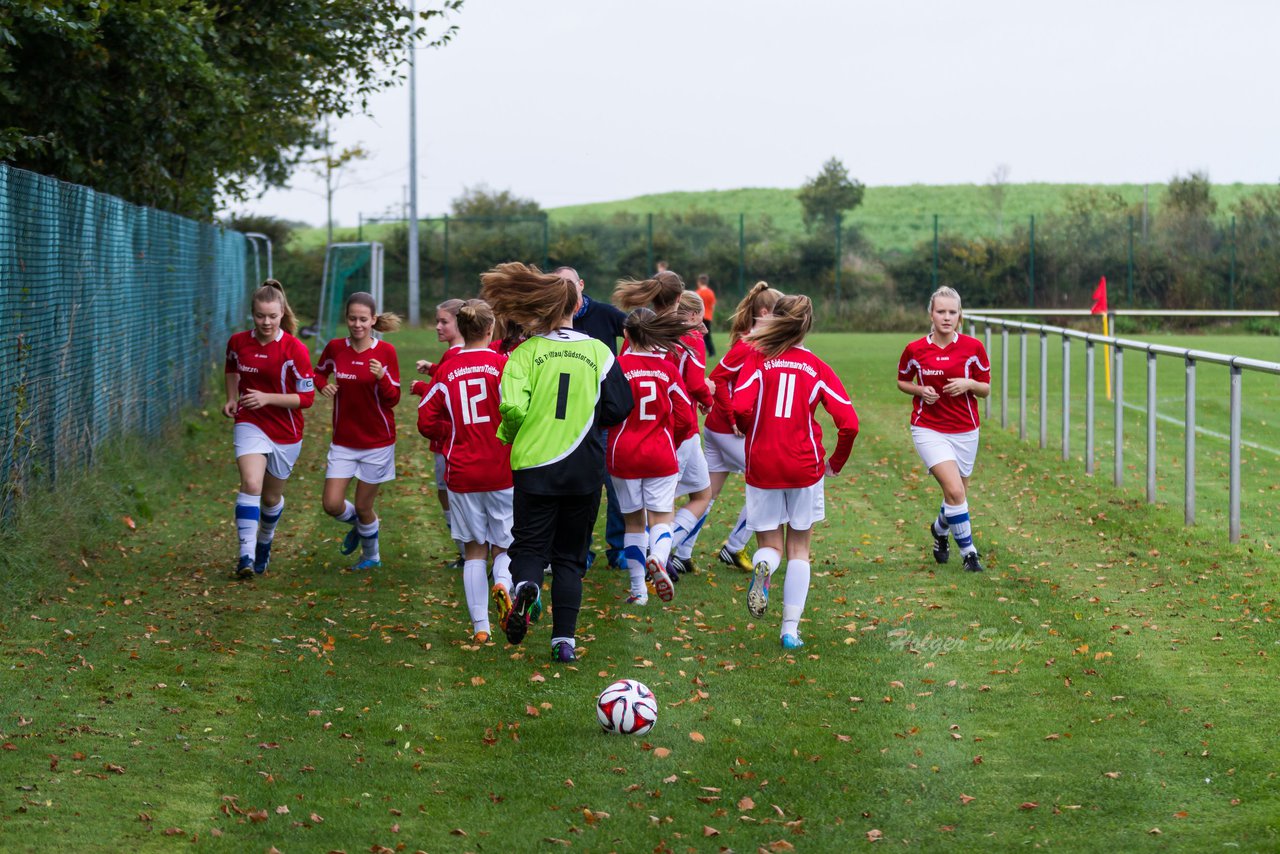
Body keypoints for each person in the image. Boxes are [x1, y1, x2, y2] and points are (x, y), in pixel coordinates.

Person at [481, 262, 633, 663]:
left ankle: (527, 585)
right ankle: (564, 641)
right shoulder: (599, 352)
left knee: (529, 546)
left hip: (535, 466)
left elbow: (511, 407)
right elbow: (620, 406)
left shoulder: (525, 353)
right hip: (584, 468)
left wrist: (515, 433)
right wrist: (586, 419)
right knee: (571, 557)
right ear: (577, 304)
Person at [733, 294, 859, 649]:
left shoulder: (757, 359)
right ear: (808, 325)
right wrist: (835, 462)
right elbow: (849, 424)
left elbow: (740, 406)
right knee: (800, 549)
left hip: (763, 464)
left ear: (774, 319)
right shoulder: (817, 366)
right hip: (805, 466)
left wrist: (749, 427)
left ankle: (764, 568)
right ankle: (790, 630)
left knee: (770, 544)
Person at [417, 300, 515, 644]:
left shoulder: (446, 370)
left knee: (474, 548)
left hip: (462, 471)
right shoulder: (504, 365)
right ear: (491, 330)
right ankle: (503, 583)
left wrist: (452, 435)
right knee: (505, 545)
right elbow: (520, 411)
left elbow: (425, 420)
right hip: (502, 469)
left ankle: (481, 627)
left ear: (462, 328)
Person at [222, 280, 315, 579]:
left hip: (286, 431)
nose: (266, 322)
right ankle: (245, 556)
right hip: (250, 422)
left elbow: (307, 398)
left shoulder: (295, 349)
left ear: (281, 314)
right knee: (251, 484)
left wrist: (267, 398)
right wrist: (232, 399)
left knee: (271, 499)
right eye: (260, 315)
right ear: (252, 313)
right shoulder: (238, 342)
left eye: (272, 316)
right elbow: (232, 368)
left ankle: (264, 543)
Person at [896, 286, 991, 572]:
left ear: (960, 316)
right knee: (954, 491)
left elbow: (985, 389)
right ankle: (969, 553)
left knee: (957, 494)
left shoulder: (973, 348)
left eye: (952, 312)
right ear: (931, 314)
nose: (946, 317)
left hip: (965, 430)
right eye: (941, 311)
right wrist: (919, 389)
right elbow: (902, 381)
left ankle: (939, 530)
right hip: (929, 428)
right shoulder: (915, 349)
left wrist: (968, 384)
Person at [608, 307, 697, 605]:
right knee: (661, 517)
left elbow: (604, 410)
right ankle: (658, 558)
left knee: (634, 523)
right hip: (660, 453)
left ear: (626, 334)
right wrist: (671, 437)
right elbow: (685, 416)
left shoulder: (616, 366)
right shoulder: (668, 369)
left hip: (624, 455)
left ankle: (638, 591)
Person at [314, 292, 402, 571]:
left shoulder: (385, 353)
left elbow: (393, 399)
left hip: (377, 442)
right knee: (331, 503)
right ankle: (362, 525)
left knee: (365, 507)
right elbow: (318, 373)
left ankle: (371, 556)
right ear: (346, 319)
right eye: (352, 318)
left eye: (363, 319)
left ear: (373, 320)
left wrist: (382, 377)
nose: (357, 324)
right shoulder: (335, 348)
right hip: (344, 441)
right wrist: (322, 385)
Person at [705, 282, 782, 572]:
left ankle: (677, 552)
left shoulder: (755, 342)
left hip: (719, 429)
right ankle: (734, 546)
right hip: (727, 431)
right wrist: (733, 417)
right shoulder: (750, 343)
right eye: (779, 314)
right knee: (770, 482)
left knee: (705, 496)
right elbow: (718, 378)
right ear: (763, 312)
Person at [561, 265, 628, 569]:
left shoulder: (604, 313)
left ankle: (619, 551)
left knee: (615, 491)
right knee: (579, 493)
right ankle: (580, 552)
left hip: (604, 418)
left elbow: (635, 334)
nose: (564, 289)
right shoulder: (552, 320)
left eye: (568, 283)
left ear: (581, 284)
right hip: (570, 420)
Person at [666, 289, 716, 578]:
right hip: (683, 424)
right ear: (695, 315)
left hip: (657, 423)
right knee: (697, 495)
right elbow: (696, 383)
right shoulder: (692, 339)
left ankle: (664, 551)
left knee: (700, 491)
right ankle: (661, 551)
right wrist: (708, 397)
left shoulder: (658, 333)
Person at [418, 298, 467, 567]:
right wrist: (434, 370)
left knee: (448, 494)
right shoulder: (456, 354)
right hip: (453, 437)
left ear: (460, 324)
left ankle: (465, 551)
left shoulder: (453, 354)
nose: (437, 326)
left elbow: (445, 398)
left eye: (443, 322)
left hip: (448, 439)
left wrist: (420, 389)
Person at [695, 273, 717, 357]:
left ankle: (699, 352)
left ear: (699, 282)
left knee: (698, 335)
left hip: (700, 317)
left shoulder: (698, 293)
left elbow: (696, 306)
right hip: (708, 316)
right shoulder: (711, 293)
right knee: (707, 335)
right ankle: (711, 352)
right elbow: (713, 306)